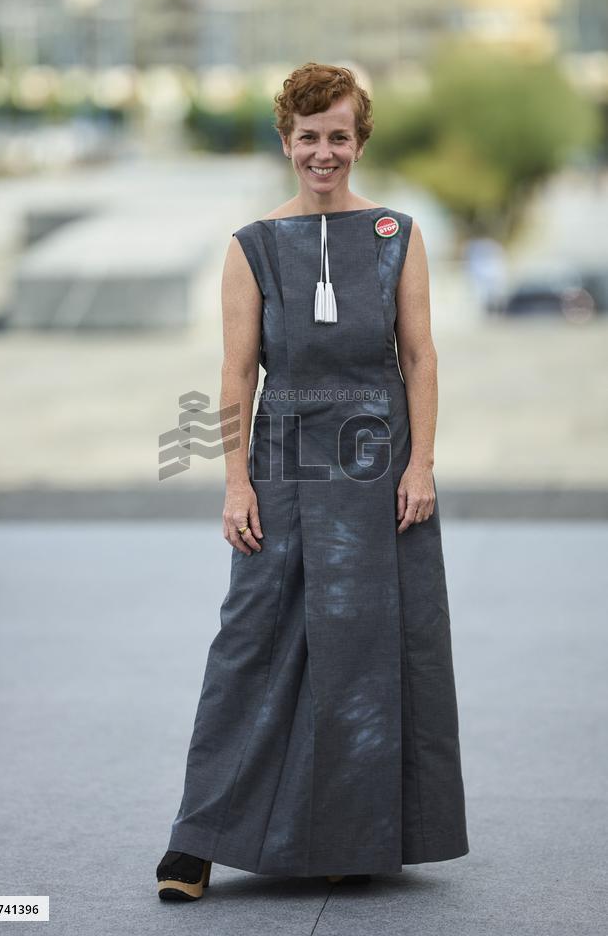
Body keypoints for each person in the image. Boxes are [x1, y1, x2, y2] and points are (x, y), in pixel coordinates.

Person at [156, 61, 469, 901]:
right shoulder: (251, 244)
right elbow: (233, 375)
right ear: (286, 141)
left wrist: (422, 465)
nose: (322, 152)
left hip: (381, 471)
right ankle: (197, 840)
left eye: (337, 136)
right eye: (308, 138)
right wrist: (234, 482)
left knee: (367, 657)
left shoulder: (397, 234)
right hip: (283, 468)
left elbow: (419, 356)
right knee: (249, 648)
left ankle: (350, 833)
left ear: (358, 140)